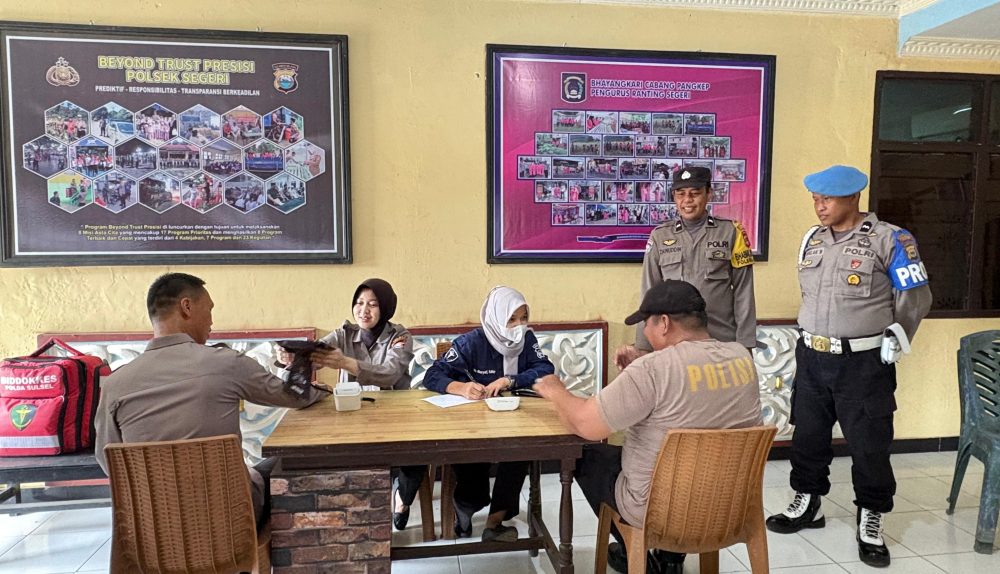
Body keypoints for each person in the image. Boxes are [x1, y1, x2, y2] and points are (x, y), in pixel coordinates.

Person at [765, 165, 932, 568]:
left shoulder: (890, 239)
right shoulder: (813, 239)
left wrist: (897, 334)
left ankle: (870, 517)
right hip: (812, 356)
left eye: (827, 199)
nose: (819, 207)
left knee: (869, 444)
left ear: (854, 197)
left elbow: (916, 296)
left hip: (862, 362)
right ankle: (808, 502)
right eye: (816, 200)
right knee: (808, 435)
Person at [534, 280, 762, 574]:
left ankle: (636, 552)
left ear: (664, 323)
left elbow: (585, 424)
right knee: (685, 465)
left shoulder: (651, 371)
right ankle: (670, 559)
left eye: (646, 324)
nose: (644, 332)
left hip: (660, 511)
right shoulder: (742, 357)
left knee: (585, 454)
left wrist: (555, 390)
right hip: (728, 506)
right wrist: (645, 362)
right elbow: (693, 386)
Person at [93, 273, 331, 529]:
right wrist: (323, 391)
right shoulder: (225, 363)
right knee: (291, 464)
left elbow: (109, 462)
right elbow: (294, 396)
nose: (211, 322)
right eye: (209, 310)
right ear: (186, 307)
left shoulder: (115, 385)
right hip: (229, 523)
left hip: (153, 529)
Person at [278, 278, 420, 532]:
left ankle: (402, 498)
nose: (364, 310)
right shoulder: (344, 334)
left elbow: (389, 374)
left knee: (418, 453)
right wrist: (290, 358)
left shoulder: (400, 336)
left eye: (373, 304)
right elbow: (315, 356)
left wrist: (345, 363)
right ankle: (362, 514)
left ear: (386, 307)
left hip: (396, 415)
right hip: (353, 414)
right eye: (359, 303)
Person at [423, 286, 555, 542]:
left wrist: (510, 380)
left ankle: (495, 522)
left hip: (514, 421)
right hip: (473, 425)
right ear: (495, 317)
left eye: (524, 318)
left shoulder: (527, 340)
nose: (519, 325)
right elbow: (433, 374)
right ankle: (465, 508)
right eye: (511, 319)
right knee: (473, 468)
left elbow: (545, 368)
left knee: (520, 452)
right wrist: (461, 388)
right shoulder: (472, 342)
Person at [615, 166, 757, 371]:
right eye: (680, 194)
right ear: (674, 197)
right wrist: (644, 347)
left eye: (695, 193)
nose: (687, 200)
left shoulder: (731, 232)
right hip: (673, 343)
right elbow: (649, 292)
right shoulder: (660, 236)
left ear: (709, 194)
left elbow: (744, 292)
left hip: (721, 341)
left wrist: (745, 345)